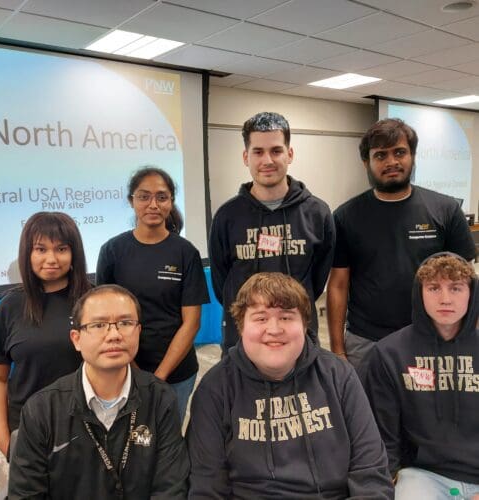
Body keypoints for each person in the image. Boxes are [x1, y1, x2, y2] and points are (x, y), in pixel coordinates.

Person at [187, 272, 394, 499]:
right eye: (261, 318)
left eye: (286, 317)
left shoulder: (339, 375)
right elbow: (207, 488)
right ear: (241, 327)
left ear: (305, 325)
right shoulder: (215, 389)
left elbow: (370, 472)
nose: (274, 329)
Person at [8, 284, 189, 499]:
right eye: (99, 325)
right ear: (76, 339)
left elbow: (170, 488)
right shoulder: (42, 409)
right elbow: (26, 494)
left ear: (138, 331)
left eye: (125, 323)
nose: (114, 335)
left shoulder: (161, 398)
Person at [327, 118, 476, 370]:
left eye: (399, 152)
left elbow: (467, 281)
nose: (391, 162)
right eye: (380, 155)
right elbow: (338, 286)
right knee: (367, 410)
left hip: (432, 336)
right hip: (366, 343)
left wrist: (469, 338)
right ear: (367, 162)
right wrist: (338, 350)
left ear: (413, 156)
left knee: (427, 410)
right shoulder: (346, 216)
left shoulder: (446, 210)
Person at [209, 111, 335, 354]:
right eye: (258, 152)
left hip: (299, 339)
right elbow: (221, 284)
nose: (267, 160)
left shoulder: (317, 213)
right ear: (246, 157)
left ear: (290, 154)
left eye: (276, 151)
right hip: (242, 341)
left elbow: (317, 280)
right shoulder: (227, 216)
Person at [96, 166, 209, 421]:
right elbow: (104, 319)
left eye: (162, 196)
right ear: (131, 201)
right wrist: (134, 372)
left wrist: (158, 377)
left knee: (168, 444)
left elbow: (191, 323)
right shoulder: (112, 251)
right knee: (127, 445)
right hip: (122, 369)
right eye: (144, 196)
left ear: (171, 201)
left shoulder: (185, 252)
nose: (153, 204)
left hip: (177, 373)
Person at [362, 253, 479, 499]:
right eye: (434, 287)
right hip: (422, 475)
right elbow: (383, 433)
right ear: (419, 292)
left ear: (472, 294)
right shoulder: (389, 354)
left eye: (456, 288)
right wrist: (388, 478)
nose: (445, 299)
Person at [0, 211, 91, 458]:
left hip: (89, 425)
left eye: (61, 249)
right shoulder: (10, 306)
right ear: (27, 254)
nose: (51, 258)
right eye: (40, 249)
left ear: (74, 253)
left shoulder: (94, 301)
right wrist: (5, 441)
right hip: (29, 428)